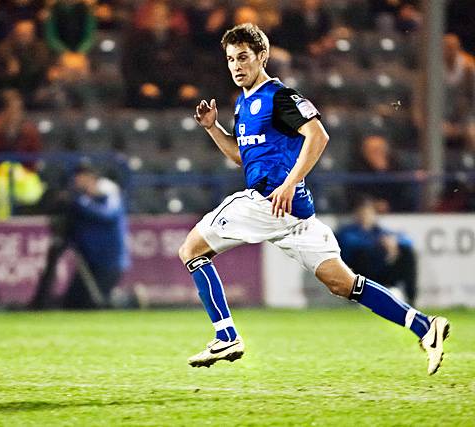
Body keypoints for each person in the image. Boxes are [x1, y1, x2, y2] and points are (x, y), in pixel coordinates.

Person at [178, 23, 449, 374]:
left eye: (243, 57)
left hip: (267, 201)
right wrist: (214, 128)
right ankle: (424, 326)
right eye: (230, 59)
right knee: (343, 283)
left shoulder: (279, 96)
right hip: (293, 216)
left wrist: (291, 182)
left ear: (262, 56)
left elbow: (318, 135)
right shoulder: (244, 104)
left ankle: (226, 334)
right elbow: (241, 157)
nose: (236, 66)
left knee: (191, 250)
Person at [32, 163, 130, 309]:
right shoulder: (80, 198)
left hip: (109, 262)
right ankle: (41, 304)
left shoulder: (106, 193)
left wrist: (80, 202)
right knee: (73, 303)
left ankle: (132, 300)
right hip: (91, 261)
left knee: (95, 303)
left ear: (91, 178)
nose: (77, 181)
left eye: (81, 177)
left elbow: (107, 215)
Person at [337, 197, 418, 304]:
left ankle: (411, 300)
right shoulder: (348, 232)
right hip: (361, 274)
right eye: (362, 212)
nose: (365, 216)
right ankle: (360, 298)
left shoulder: (380, 231)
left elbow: (407, 241)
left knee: (407, 252)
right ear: (356, 214)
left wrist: (395, 243)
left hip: (382, 270)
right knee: (363, 254)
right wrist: (379, 244)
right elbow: (350, 244)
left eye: (368, 212)